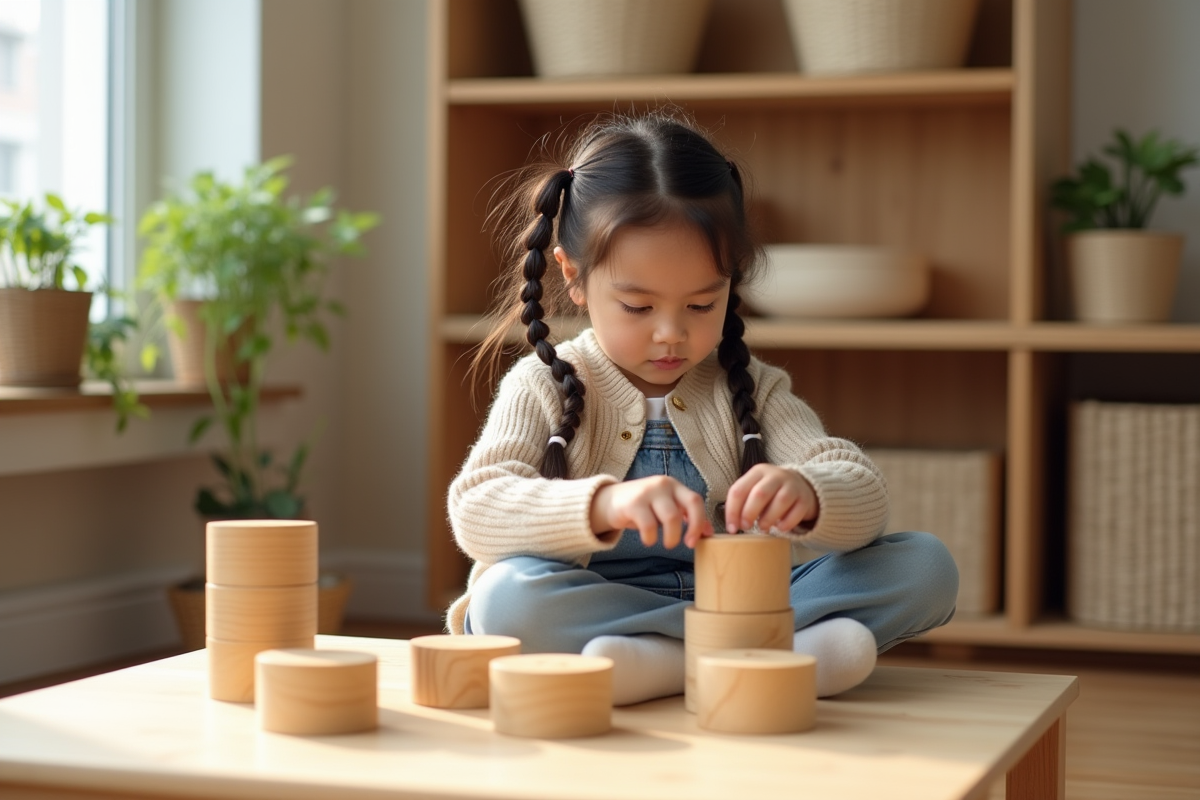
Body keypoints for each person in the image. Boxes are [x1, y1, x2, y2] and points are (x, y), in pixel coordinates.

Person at [447, 111, 959, 705]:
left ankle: (664, 664)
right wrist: (604, 503)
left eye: (700, 305)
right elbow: (477, 508)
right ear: (574, 277)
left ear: (731, 284)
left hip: (747, 599)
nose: (672, 334)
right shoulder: (543, 383)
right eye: (638, 308)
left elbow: (864, 491)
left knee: (926, 566)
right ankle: (776, 659)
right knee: (507, 598)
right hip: (601, 600)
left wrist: (810, 493)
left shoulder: (752, 385)